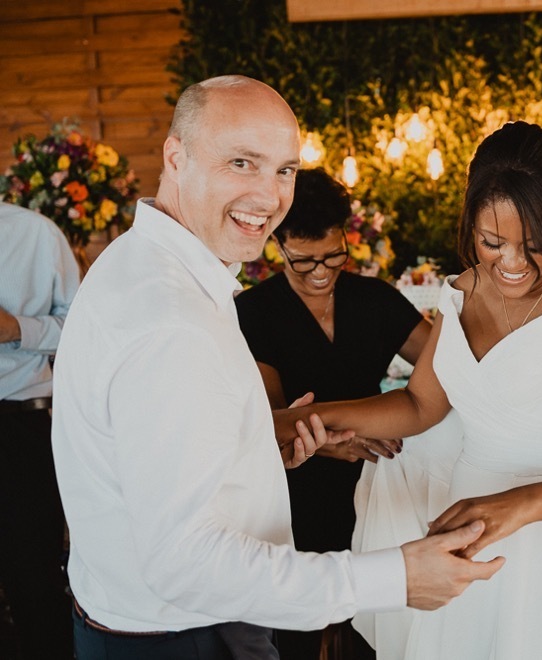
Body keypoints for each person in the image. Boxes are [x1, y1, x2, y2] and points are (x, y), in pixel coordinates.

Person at [50, 74, 502, 660]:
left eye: (284, 170)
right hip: (188, 634)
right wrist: (395, 579)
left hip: (142, 620)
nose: (269, 196)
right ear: (175, 155)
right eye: (242, 162)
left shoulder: (139, 264)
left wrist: (254, 449)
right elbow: (184, 562)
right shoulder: (171, 320)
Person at [277, 120, 542, 659]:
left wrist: (521, 505)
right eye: (491, 242)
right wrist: (302, 419)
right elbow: (420, 404)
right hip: (470, 534)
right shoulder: (462, 291)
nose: (509, 262)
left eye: (533, 244)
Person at [235, 167, 431, 660]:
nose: (321, 272)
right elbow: (274, 418)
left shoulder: (376, 299)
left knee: (376, 626)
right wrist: (328, 443)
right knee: (298, 628)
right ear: (278, 246)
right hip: (297, 487)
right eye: (303, 262)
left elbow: (445, 366)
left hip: (375, 485)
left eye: (333, 256)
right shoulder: (254, 313)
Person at [0, 202, 78, 660]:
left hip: (19, 426)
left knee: (35, 582)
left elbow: (84, 327)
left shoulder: (36, 235)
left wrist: (18, 328)